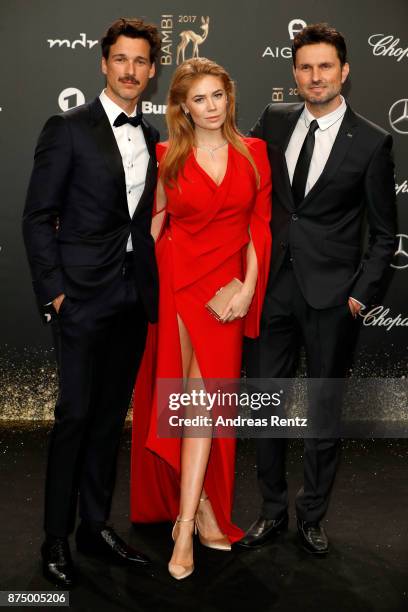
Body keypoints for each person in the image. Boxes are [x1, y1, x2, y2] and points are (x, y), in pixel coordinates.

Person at [237, 23, 397, 555]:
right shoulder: (274, 121)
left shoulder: (373, 141)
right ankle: (270, 511)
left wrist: (360, 295)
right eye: (305, 67)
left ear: (344, 72)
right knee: (263, 406)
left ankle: (311, 515)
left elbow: (384, 230)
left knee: (323, 412)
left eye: (325, 66)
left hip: (334, 297)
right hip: (272, 289)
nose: (315, 76)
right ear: (294, 74)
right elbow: (243, 186)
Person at [22, 18, 161, 587]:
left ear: (153, 72)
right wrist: (55, 293)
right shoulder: (69, 128)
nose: (130, 71)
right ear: (104, 63)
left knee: (108, 418)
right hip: (79, 295)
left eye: (141, 62)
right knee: (74, 416)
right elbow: (36, 218)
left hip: (133, 296)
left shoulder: (156, 138)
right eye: (120, 60)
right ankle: (56, 536)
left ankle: (95, 526)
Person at [130, 58, 272, 579]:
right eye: (200, 99)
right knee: (193, 404)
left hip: (226, 291)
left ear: (229, 98)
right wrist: (130, 285)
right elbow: (157, 222)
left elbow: (259, 228)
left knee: (204, 404)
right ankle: (190, 520)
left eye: (218, 96)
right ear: (183, 107)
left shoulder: (254, 152)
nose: (211, 107)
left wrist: (247, 288)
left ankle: (190, 518)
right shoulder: (167, 154)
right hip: (177, 283)